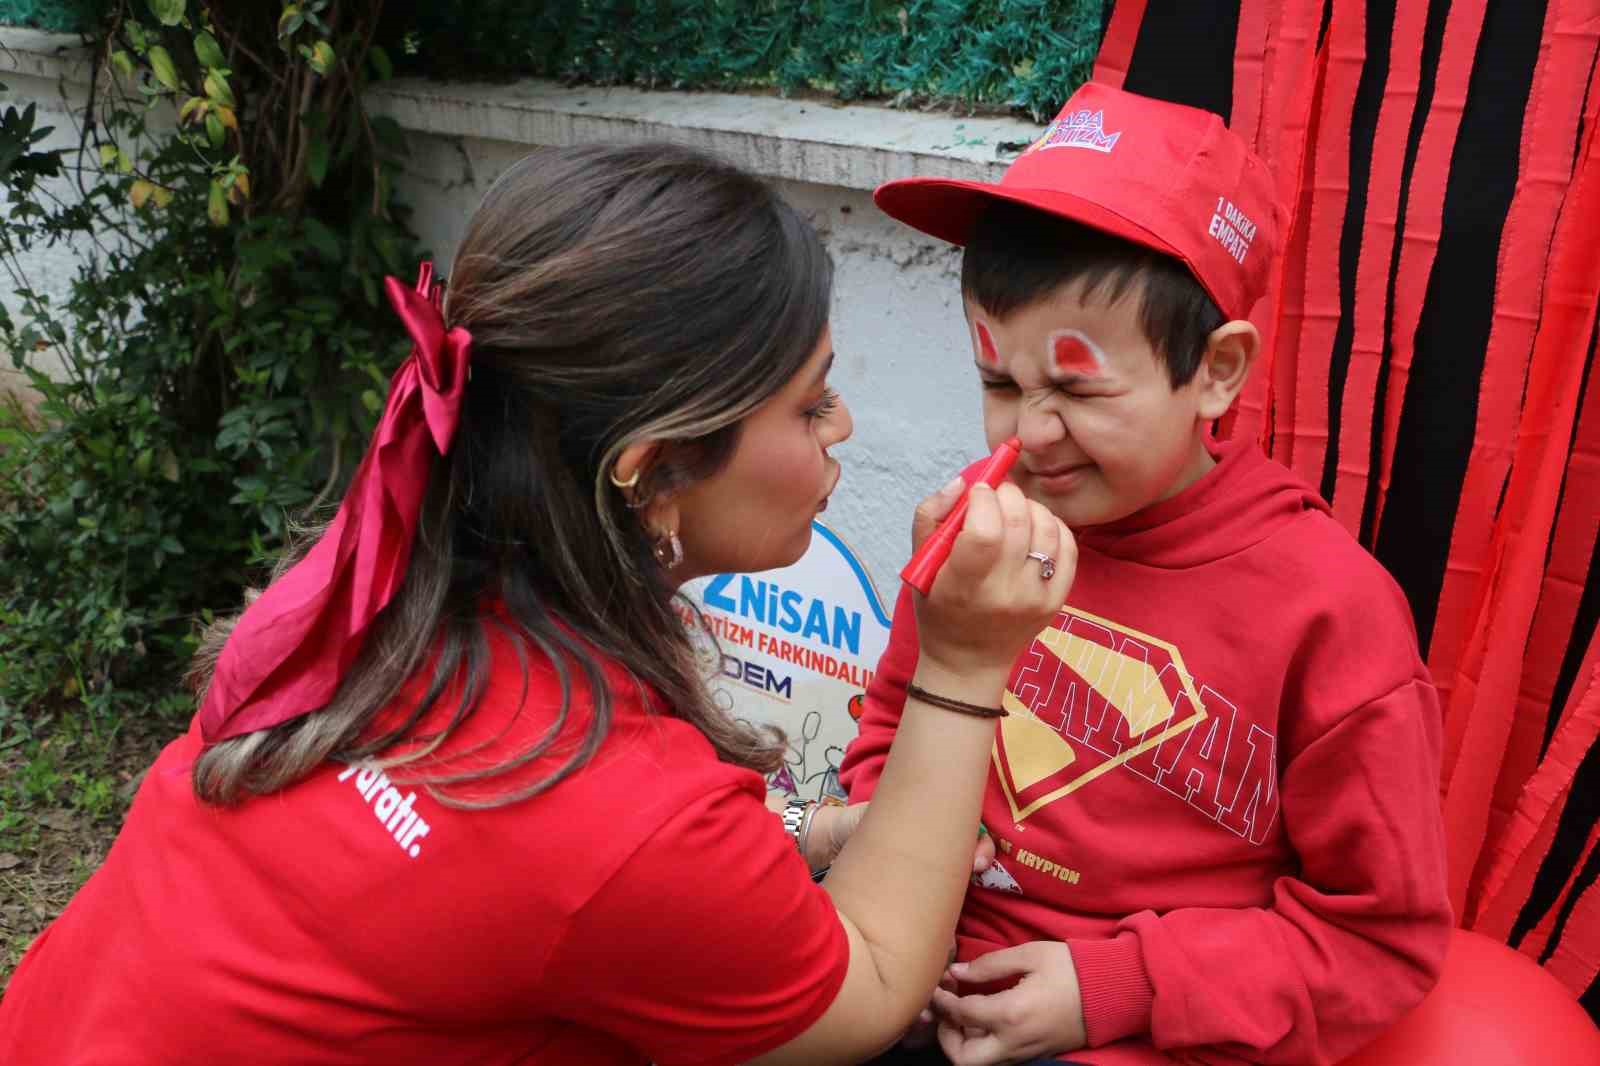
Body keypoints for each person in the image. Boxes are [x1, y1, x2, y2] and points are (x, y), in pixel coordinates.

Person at [0, 143, 1078, 1065]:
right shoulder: (615, 806)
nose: (841, 428)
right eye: (810, 402)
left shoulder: (385, 574)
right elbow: (872, 983)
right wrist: (960, 660)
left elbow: (511, 879)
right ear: (652, 469)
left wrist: (814, 831)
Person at [838, 84, 1453, 1065]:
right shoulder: (981, 533)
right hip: (911, 973)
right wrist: (898, 881)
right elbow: (887, 726)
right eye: (997, 382)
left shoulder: (1329, 611)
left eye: (1077, 388)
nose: (1029, 433)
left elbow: (1379, 940)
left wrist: (1117, 987)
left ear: (1216, 371)